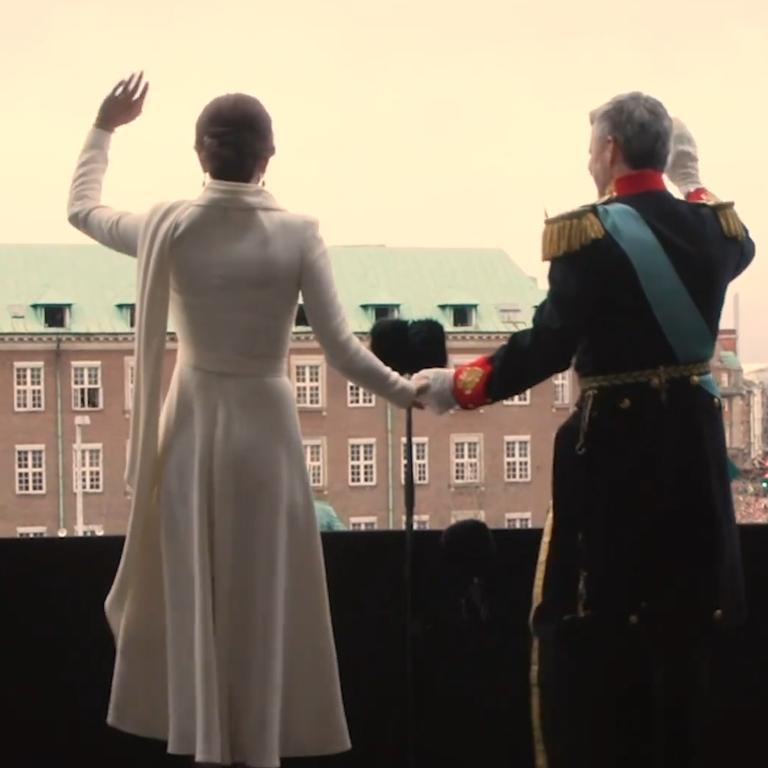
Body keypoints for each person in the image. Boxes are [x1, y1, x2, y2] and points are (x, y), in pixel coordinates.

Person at [67, 73, 422, 768]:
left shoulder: (168, 226)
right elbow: (343, 350)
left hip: (193, 421)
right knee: (264, 593)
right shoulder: (296, 234)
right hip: (265, 426)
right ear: (269, 155)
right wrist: (408, 392)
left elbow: (82, 209)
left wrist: (104, 126)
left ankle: (203, 738)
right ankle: (259, 745)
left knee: (199, 589)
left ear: (201, 153)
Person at [414, 92, 755, 767]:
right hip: (691, 451)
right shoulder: (717, 231)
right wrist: (685, 181)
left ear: (607, 152)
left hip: (616, 459)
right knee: (683, 636)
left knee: (602, 633)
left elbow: (546, 346)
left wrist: (460, 385)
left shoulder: (589, 238)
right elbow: (731, 240)